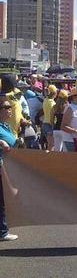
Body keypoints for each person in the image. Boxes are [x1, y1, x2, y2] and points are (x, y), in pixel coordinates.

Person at [0, 99, 19, 241]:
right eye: (6, 107)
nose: (10, 109)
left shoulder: (5, 126)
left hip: (6, 166)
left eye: (10, 107)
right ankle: (2, 231)